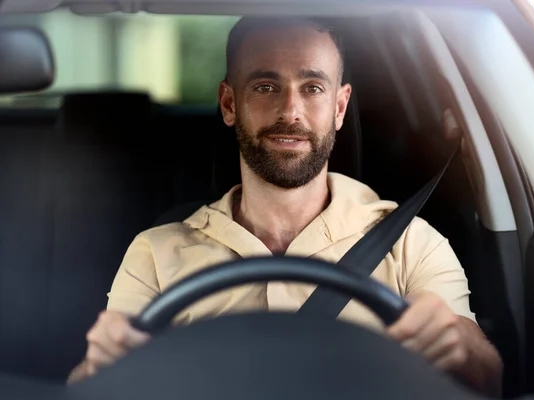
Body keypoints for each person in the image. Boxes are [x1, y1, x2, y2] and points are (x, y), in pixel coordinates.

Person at [67, 16, 503, 395]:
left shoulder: (411, 243)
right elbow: (92, 388)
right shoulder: (155, 252)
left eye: (312, 87)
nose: (290, 110)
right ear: (228, 103)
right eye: (265, 85)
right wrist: (100, 365)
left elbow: (488, 380)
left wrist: (456, 345)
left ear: (339, 106)